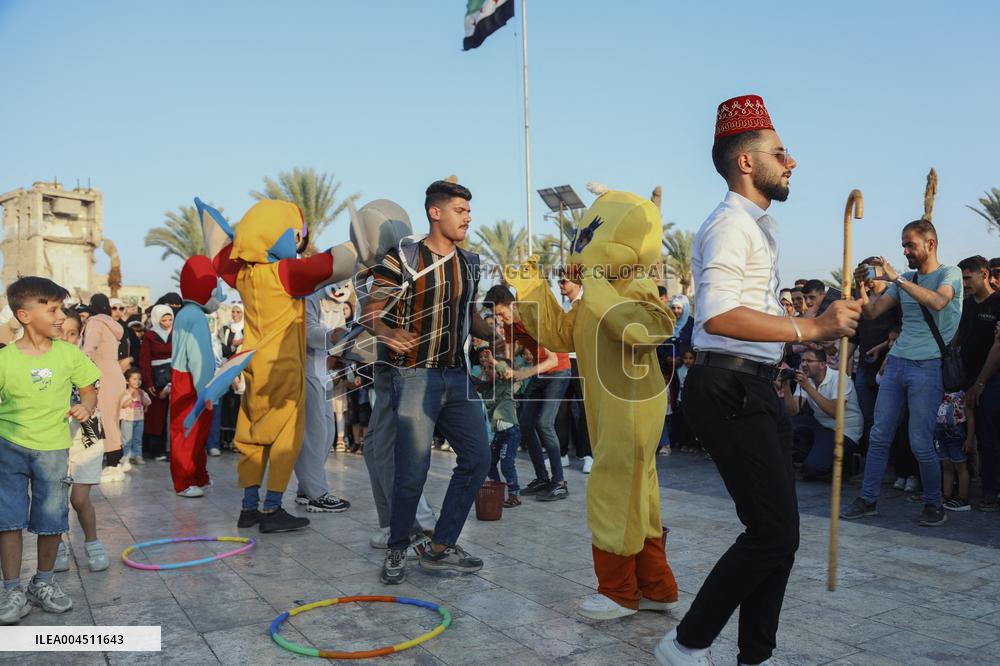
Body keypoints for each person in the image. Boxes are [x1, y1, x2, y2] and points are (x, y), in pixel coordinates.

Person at [654, 95, 860, 666]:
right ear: (746, 162)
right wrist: (812, 322)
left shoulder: (758, 228)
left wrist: (814, 333)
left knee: (781, 537)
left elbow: (757, 321)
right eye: (779, 152)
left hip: (754, 383)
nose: (790, 161)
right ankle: (686, 644)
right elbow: (717, 316)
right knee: (770, 533)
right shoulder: (728, 227)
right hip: (726, 388)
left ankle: (755, 656)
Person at [507, 189, 680, 622]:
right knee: (639, 495)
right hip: (610, 407)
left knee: (615, 490)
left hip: (632, 406)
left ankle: (619, 592)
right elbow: (561, 335)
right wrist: (530, 285)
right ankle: (656, 587)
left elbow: (647, 332)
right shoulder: (593, 295)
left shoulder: (634, 286)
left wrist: (597, 283)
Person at [363, 180, 496, 585]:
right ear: (435, 213)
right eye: (460, 210)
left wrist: (492, 333)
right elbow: (371, 312)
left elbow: (468, 314)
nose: (468, 218)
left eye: (469, 211)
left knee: (478, 458)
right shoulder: (402, 257)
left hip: (457, 376)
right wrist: (388, 333)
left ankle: (440, 546)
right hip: (415, 377)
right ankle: (398, 548)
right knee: (412, 471)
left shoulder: (470, 263)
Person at [210, 198, 357, 533]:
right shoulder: (284, 273)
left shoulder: (245, 276)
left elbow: (222, 258)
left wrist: (244, 237)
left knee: (251, 436)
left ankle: (249, 508)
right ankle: (273, 508)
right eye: (296, 234)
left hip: (254, 368)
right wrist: (361, 241)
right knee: (284, 438)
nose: (299, 241)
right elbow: (337, 264)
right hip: (285, 367)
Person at [842, 219, 962, 527]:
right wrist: (860, 286)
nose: (906, 250)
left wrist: (898, 279)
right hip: (897, 363)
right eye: (903, 245)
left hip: (929, 365)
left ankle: (934, 503)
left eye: (910, 244)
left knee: (920, 440)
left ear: (930, 244)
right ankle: (868, 500)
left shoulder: (950, 274)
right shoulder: (904, 280)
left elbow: (938, 301)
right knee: (879, 434)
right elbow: (871, 312)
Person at [0, 277, 100, 624]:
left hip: (54, 450)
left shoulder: (70, 354)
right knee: (8, 520)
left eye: (61, 309)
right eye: (53, 309)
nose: (61, 317)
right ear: (24, 315)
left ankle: (43, 583)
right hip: (9, 448)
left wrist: (86, 406)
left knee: (51, 519)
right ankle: (12, 589)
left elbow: (89, 390)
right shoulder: (5, 359)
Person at [488, 284, 572, 501]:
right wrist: (498, 365)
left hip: (558, 371)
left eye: (501, 313)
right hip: (538, 371)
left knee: (544, 423)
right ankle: (542, 478)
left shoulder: (533, 316)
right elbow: (509, 355)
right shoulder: (509, 325)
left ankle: (560, 483)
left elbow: (553, 359)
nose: (500, 319)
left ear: (512, 304)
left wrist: (522, 374)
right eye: (496, 315)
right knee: (525, 424)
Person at [54, 308, 110, 575]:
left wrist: (84, 407)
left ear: (80, 336)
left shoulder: (84, 362)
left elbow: (93, 394)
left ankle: (92, 542)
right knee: (56, 498)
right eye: (61, 332)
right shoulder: (43, 363)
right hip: (53, 436)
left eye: (73, 333)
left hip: (87, 432)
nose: (66, 338)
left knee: (79, 499)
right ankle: (58, 546)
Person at [292, 288, 351, 513]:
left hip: (323, 371)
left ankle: (306, 489)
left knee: (327, 430)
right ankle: (316, 493)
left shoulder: (336, 304)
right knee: (314, 433)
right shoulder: (310, 296)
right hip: (307, 368)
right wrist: (333, 335)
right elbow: (307, 331)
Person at [957, 255, 1000, 510]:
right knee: (976, 437)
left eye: (967, 278)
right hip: (968, 378)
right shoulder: (967, 305)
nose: (965, 284)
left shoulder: (998, 303)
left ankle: (992, 491)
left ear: (984, 274)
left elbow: (998, 347)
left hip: (992, 380)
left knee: (990, 436)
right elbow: (959, 339)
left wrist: (981, 383)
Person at [780, 349, 863, 479]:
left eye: (809, 361)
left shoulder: (839, 378)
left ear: (823, 364)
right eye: (802, 361)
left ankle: (847, 462)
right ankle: (822, 455)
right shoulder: (807, 380)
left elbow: (835, 412)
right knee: (785, 426)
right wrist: (785, 386)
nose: (804, 364)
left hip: (844, 431)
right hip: (821, 426)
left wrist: (808, 387)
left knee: (813, 468)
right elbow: (793, 411)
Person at [82, 294, 127, 481]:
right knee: (113, 419)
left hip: (102, 375)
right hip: (115, 374)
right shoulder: (112, 325)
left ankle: (112, 465)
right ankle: (114, 461)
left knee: (105, 420)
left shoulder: (95, 323)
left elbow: (88, 350)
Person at [557, 271, 593, 473]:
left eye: (564, 280)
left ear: (577, 281)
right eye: (559, 281)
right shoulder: (562, 308)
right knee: (560, 410)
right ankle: (561, 455)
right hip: (563, 361)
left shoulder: (587, 305)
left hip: (582, 361)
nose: (560, 284)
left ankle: (588, 455)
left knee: (584, 410)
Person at [476, 347, 521, 506]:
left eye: (491, 368)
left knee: (507, 464)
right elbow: (475, 383)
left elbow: (505, 371)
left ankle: (514, 495)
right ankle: (498, 492)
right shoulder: (489, 388)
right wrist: (483, 371)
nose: (488, 370)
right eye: (486, 368)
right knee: (489, 463)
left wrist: (494, 361)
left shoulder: (505, 382)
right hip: (498, 434)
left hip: (510, 431)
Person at [139, 304, 173, 461]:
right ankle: (155, 449)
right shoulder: (150, 336)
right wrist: (148, 382)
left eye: (169, 319)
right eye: (163, 320)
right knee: (156, 415)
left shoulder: (176, 334)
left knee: (171, 415)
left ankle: (169, 448)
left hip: (174, 378)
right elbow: (144, 360)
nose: (167, 323)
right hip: (157, 379)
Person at [935, 389, 974, 511]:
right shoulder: (938, 392)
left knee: (960, 466)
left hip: (956, 433)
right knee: (946, 465)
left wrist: (969, 439)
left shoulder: (964, 395)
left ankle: (963, 498)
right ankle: (947, 494)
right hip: (941, 434)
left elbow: (970, 418)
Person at [119, 368, 149, 465]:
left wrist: (142, 396)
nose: (138, 381)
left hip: (139, 420)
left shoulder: (142, 392)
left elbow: (147, 403)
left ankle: (138, 456)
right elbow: (123, 404)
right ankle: (126, 457)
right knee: (126, 439)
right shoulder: (125, 393)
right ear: (127, 381)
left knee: (138, 439)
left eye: (139, 379)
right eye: (134, 379)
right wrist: (132, 398)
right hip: (127, 420)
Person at [110, 297, 140, 371]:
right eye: (114, 308)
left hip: (125, 370)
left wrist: (129, 359)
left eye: (121, 309)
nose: (118, 311)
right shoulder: (103, 328)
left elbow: (137, 350)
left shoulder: (129, 331)